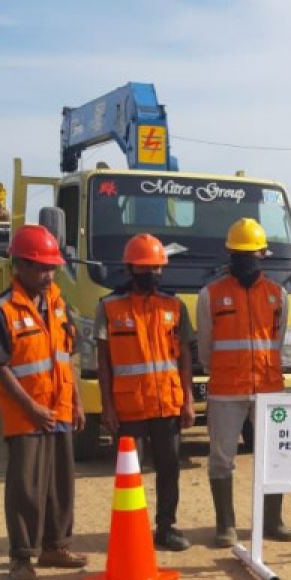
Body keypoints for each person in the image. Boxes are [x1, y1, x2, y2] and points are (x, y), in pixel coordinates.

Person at [0, 224, 88, 580]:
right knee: (26, 488)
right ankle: (21, 558)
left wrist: (77, 402)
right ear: (20, 265)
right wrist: (31, 408)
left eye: (52, 267)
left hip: (59, 411)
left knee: (61, 485)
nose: (48, 274)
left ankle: (56, 546)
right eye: (41, 267)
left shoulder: (59, 305)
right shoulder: (2, 310)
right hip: (26, 416)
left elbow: (68, 355)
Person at [197, 218, 291, 546]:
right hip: (227, 390)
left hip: (269, 389)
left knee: (276, 456)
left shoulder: (277, 295)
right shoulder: (210, 295)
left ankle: (273, 521)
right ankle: (226, 526)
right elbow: (205, 348)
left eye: (251, 255)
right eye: (239, 255)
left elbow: (277, 343)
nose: (245, 262)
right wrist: (225, 372)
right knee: (222, 457)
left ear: (263, 255)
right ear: (230, 256)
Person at [95, 233, 196, 552]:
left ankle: (166, 528)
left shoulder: (175, 306)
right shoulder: (108, 307)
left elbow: (185, 357)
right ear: (129, 268)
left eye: (156, 268)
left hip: (167, 405)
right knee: (130, 475)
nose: (152, 274)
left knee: (169, 470)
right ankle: (131, 531)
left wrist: (188, 400)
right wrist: (107, 408)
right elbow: (103, 361)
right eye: (145, 268)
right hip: (129, 408)